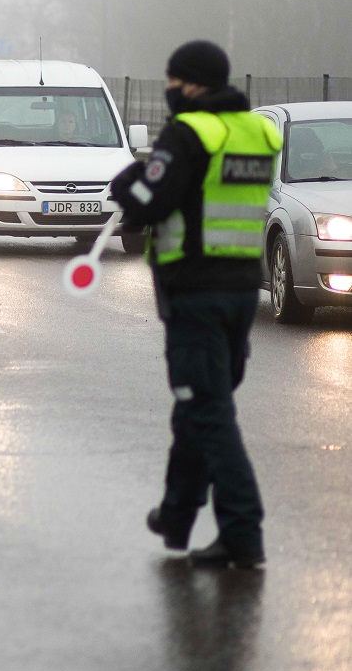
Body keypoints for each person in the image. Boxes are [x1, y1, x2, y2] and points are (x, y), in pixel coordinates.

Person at [109, 40, 279, 568]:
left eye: (173, 79)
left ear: (192, 82)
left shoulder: (188, 133)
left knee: (207, 411)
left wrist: (127, 187)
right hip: (241, 292)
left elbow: (151, 200)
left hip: (194, 294)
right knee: (198, 404)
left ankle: (243, 532)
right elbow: (201, 194)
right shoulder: (260, 132)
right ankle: (178, 516)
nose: (169, 88)